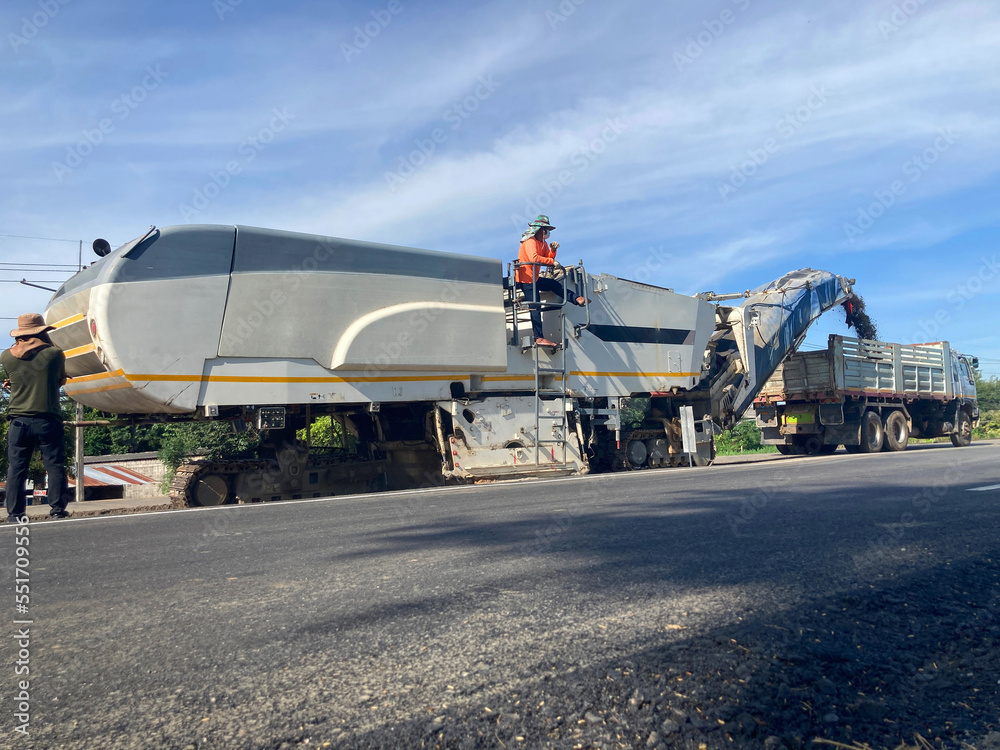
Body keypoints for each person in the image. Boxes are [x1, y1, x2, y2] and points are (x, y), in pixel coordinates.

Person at [1, 313, 70, 521]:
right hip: (47, 419)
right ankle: (57, 510)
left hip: (19, 421)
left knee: (16, 468)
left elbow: (20, 380)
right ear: (42, 331)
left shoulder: (6, 356)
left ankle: (15, 514)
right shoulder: (54, 353)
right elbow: (59, 380)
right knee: (54, 465)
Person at [515, 215, 587, 347]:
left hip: (534, 278)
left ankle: (576, 298)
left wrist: (553, 251)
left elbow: (547, 257)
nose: (546, 232)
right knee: (535, 306)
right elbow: (534, 258)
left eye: (547, 230)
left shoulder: (542, 243)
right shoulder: (530, 241)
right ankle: (539, 337)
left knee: (554, 284)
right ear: (538, 230)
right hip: (526, 279)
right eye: (545, 230)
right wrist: (552, 261)